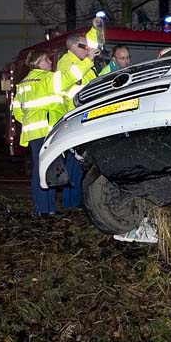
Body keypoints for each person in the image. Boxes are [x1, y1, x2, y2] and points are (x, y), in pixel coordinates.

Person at [11, 47, 99, 216]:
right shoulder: (47, 79)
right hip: (47, 130)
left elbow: (17, 111)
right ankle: (45, 210)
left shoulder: (22, 84)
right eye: (47, 60)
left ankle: (47, 208)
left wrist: (31, 123)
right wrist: (87, 59)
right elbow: (70, 76)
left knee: (44, 170)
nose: (50, 62)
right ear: (38, 63)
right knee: (46, 170)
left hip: (34, 133)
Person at [56, 16, 103, 209]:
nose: (89, 49)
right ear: (74, 47)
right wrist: (88, 62)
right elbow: (72, 80)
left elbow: (91, 42)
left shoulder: (81, 60)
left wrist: (95, 28)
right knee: (74, 166)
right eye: (84, 47)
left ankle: (74, 203)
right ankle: (70, 204)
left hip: (85, 118)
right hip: (74, 120)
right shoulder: (66, 62)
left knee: (80, 165)